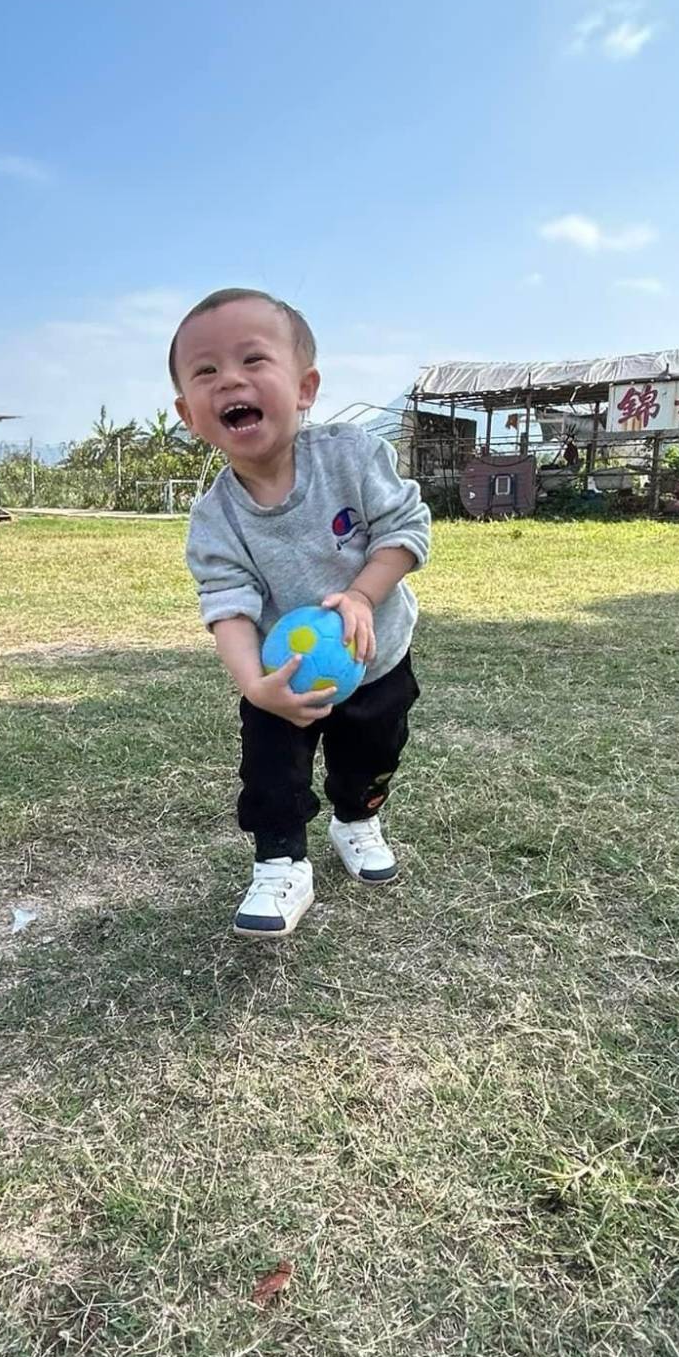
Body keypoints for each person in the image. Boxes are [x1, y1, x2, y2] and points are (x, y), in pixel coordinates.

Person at [171, 288, 431, 937]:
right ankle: (280, 860)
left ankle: (356, 818)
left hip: (376, 659)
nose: (230, 379)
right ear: (188, 414)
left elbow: (406, 530)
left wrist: (362, 595)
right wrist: (255, 686)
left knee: (370, 758)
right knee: (269, 773)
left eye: (253, 359)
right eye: (206, 370)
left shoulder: (352, 456)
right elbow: (227, 608)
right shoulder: (214, 519)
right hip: (279, 674)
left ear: (305, 388)